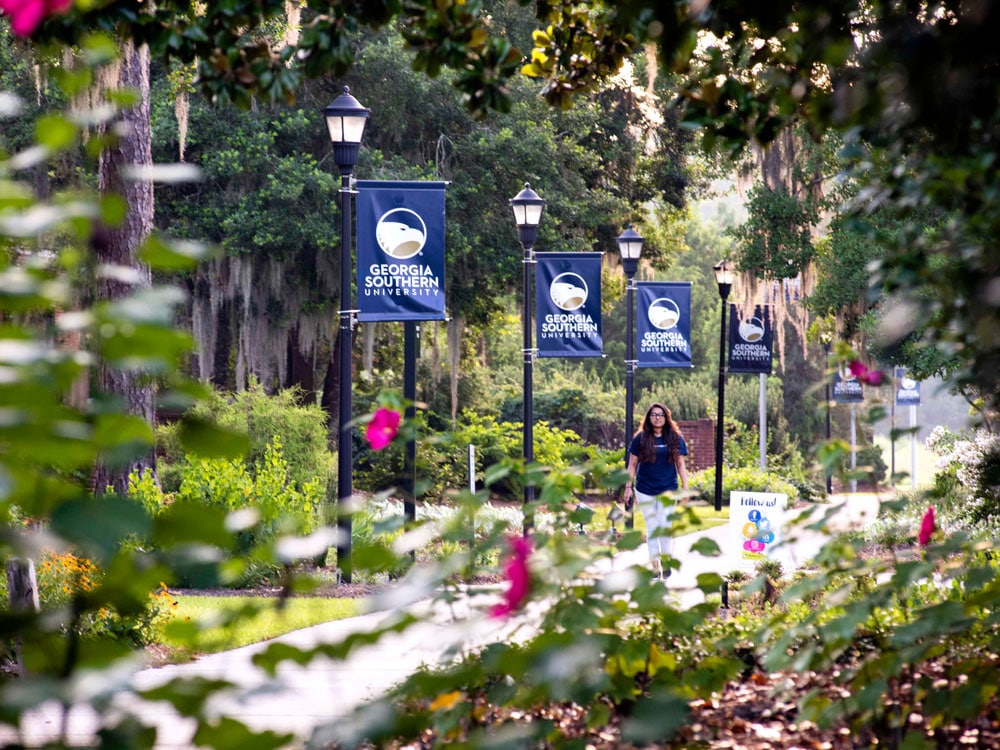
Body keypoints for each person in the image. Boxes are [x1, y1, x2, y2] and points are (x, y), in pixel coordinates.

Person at [623, 403, 689, 579]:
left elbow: (680, 464)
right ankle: (654, 566)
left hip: (668, 489)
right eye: (653, 415)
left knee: (665, 526)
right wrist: (628, 487)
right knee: (652, 528)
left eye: (660, 415)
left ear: (666, 417)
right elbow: (632, 465)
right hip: (645, 489)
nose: (657, 418)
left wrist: (685, 487)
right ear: (649, 417)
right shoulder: (641, 438)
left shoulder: (675, 438)